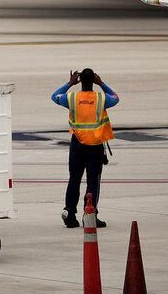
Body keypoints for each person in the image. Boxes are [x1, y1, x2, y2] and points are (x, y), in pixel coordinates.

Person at [51, 68, 119, 229]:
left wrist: (69, 83)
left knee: (74, 179)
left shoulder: (72, 98)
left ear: (80, 81)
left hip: (77, 144)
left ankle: (69, 213)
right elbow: (116, 97)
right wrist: (102, 83)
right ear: (93, 80)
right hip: (94, 146)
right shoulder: (101, 98)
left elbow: (54, 96)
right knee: (92, 181)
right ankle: (90, 215)